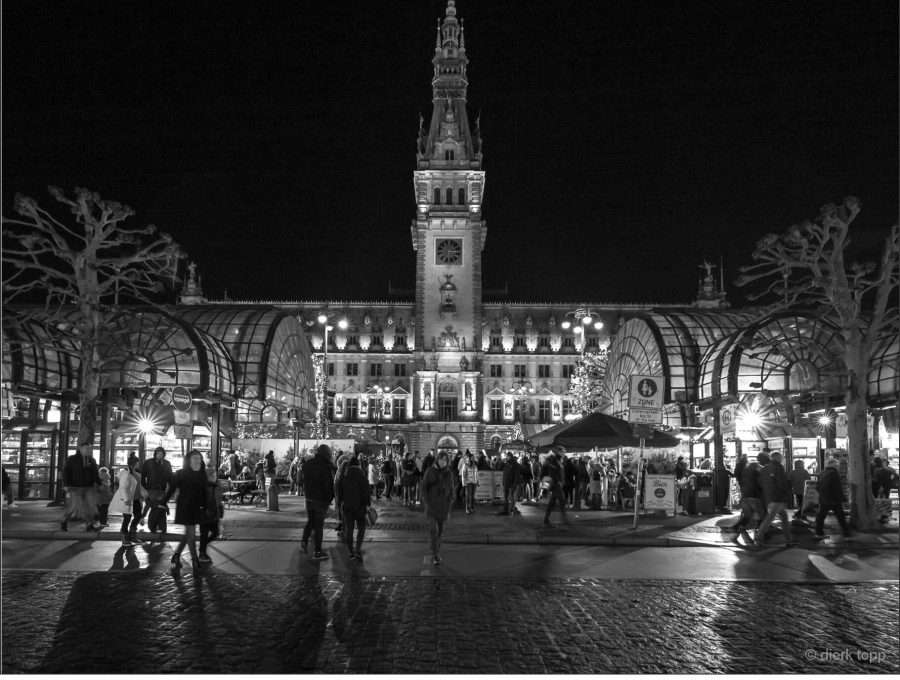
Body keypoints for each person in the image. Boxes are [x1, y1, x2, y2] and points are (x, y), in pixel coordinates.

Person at [164, 449, 209, 573]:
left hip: (196, 507)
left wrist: (206, 507)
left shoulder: (202, 474)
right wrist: (163, 502)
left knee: (188, 534)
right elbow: (171, 490)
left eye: (199, 458)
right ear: (188, 460)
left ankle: (177, 555)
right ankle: (194, 560)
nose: (197, 461)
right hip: (184, 506)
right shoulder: (180, 473)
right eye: (195, 458)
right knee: (191, 532)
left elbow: (204, 492)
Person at [301, 444, 335, 560]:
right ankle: (317, 551)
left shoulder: (308, 464)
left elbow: (301, 480)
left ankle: (304, 541)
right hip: (320, 500)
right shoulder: (325, 466)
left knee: (310, 521)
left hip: (309, 498)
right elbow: (328, 484)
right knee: (319, 526)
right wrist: (329, 498)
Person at [755, 452, 796, 547]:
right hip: (778, 497)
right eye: (781, 457)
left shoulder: (765, 468)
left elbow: (760, 482)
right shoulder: (778, 467)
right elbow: (782, 482)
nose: (782, 459)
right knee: (769, 518)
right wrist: (786, 493)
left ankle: (789, 539)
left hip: (769, 496)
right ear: (778, 458)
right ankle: (759, 537)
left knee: (784, 518)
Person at [422, 451, 455, 565]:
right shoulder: (430, 471)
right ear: (437, 460)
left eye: (445, 460)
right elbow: (424, 487)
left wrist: (449, 505)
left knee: (440, 532)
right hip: (431, 507)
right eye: (441, 459)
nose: (443, 462)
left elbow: (451, 490)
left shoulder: (449, 473)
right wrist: (427, 501)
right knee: (433, 531)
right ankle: (434, 554)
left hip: (443, 508)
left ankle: (436, 550)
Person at [60, 443, 102, 532]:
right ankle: (64, 520)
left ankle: (89, 524)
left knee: (90, 506)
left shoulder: (91, 460)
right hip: (76, 487)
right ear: (81, 449)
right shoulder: (72, 459)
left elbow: (95, 473)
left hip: (89, 487)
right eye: (87, 449)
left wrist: (99, 483)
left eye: (90, 449)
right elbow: (66, 472)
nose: (89, 451)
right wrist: (66, 485)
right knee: (73, 506)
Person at [338, 456, 371, 560]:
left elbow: (339, 494)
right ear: (358, 465)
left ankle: (350, 552)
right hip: (359, 507)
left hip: (347, 507)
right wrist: (368, 504)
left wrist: (340, 504)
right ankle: (358, 549)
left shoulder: (343, 477)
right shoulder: (362, 477)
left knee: (349, 529)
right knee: (361, 528)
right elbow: (366, 493)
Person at [730, 453, 767, 544]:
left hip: (746, 497)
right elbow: (759, 485)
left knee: (747, 515)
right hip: (755, 498)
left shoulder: (746, 474)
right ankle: (760, 535)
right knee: (762, 516)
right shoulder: (756, 474)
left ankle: (737, 528)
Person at [109, 455, 144, 547]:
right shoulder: (126, 473)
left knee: (138, 515)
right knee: (127, 518)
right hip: (127, 499)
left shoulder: (134, 472)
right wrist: (126, 499)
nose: (139, 464)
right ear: (134, 464)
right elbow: (123, 488)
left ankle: (132, 536)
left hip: (135, 499)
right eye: (138, 463)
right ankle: (125, 538)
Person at [814, 458, 852, 540]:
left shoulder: (822, 473)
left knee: (821, 517)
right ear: (834, 465)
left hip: (823, 499)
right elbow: (837, 489)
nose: (838, 467)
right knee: (840, 517)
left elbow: (817, 487)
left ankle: (818, 533)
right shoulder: (834, 474)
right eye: (837, 465)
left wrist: (823, 493)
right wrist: (844, 499)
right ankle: (846, 534)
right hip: (833, 500)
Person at [141, 446, 173, 542]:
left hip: (161, 489)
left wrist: (171, 487)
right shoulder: (149, 462)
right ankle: (145, 519)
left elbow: (170, 476)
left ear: (164, 454)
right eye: (158, 453)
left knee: (160, 506)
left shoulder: (166, 463)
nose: (160, 455)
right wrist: (145, 487)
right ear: (155, 453)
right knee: (150, 504)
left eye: (161, 453)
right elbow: (143, 475)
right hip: (151, 488)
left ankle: (159, 525)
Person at [199, 465, 224, 563]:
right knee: (204, 534)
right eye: (212, 475)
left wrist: (219, 511)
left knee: (215, 532)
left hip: (214, 513)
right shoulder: (204, 486)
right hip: (205, 514)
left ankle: (203, 546)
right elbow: (202, 500)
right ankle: (202, 552)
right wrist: (205, 509)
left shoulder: (216, 486)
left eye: (215, 474)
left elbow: (218, 500)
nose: (215, 476)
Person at [541, 447, 567, 527]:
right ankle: (564, 520)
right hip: (555, 484)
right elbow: (552, 473)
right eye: (563, 452)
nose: (564, 453)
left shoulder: (558, 460)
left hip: (557, 484)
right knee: (562, 501)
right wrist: (558, 481)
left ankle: (546, 521)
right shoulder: (555, 461)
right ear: (559, 452)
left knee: (552, 503)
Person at [501, 451, 521, 516]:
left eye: (506, 456)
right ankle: (506, 510)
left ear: (509, 456)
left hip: (511, 483)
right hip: (506, 482)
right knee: (506, 497)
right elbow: (501, 469)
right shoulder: (506, 463)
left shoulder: (515, 464)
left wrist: (515, 484)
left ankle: (510, 511)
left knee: (511, 497)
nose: (506, 457)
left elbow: (517, 475)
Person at [460, 449, 479, 513]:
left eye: (474, 457)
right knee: (468, 496)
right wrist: (463, 483)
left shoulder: (475, 465)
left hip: (474, 482)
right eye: (472, 457)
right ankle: (467, 508)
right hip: (468, 482)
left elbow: (477, 474)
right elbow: (463, 474)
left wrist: (477, 481)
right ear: (470, 458)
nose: (474, 458)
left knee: (473, 496)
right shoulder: (466, 465)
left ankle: (472, 508)